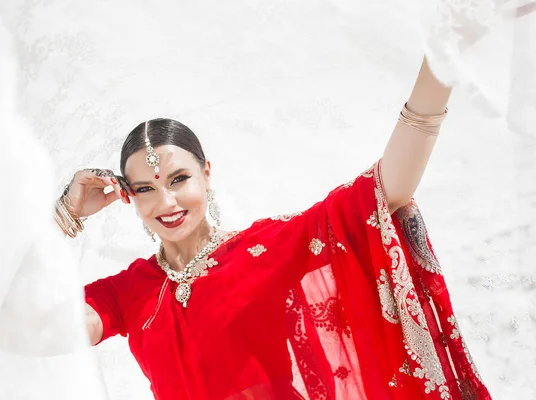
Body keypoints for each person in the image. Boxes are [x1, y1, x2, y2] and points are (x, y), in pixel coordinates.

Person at [54, 57, 491, 399]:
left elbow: (383, 192)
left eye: (179, 179)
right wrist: (65, 218)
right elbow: (31, 333)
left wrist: (441, 61)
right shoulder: (127, 293)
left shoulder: (263, 251)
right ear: (128, 197)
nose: (166, 202)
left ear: (207, 173)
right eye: (146, 188)